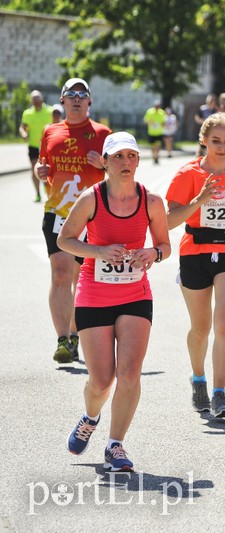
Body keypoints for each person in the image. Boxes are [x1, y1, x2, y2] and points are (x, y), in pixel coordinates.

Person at [57, 132, 171, 472]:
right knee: (102, 380)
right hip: (94, 293)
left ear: (138, 161)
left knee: (130, 373)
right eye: (118, 156)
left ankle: (115, 444)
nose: (126, 162)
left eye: (131, 156)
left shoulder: (151, 201)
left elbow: (165, 245)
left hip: (135, 293)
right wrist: (99, 251)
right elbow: (65, 240)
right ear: (104, 162)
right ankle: (91, 416)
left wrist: (153, 252)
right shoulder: (91, 199)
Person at [165, 112, 225, 418]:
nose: (222, 146)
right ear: (204, 140)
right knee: (200, 328)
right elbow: (168, 220)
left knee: (224, 320)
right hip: (195, 252)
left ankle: (219, 393)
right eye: (216, 141)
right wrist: (199, 200)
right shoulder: (187, 174)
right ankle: (198, 378)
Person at [36, 78, 111, 365]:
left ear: (90, 102)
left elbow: (121, 168)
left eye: (82, 94)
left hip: (91, 216)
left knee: (81, 278)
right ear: (64, 101)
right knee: (60, 274)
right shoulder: (50, 131)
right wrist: (40, 170)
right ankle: (62, 340)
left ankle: (76, 334)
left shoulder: (103, 133)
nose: (77, 98)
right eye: (71, 94)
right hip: (57, 213)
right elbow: (43, 163)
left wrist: (103, 164)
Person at [19, 89, 52, 202]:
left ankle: (46, 187)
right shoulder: (27, 113)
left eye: (38, 99)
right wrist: (23, 133)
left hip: (47, 145)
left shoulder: (50, 111)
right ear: (31, 101)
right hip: (33, 145)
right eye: (34, 99)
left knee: (48, 169)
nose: (36, 101)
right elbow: (23, 127)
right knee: (34, 169)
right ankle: (38, 193)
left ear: (42, 99)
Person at [143, 100, 167, 165]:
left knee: (158, 145)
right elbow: (145, 120)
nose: (157, 107)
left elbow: (164, 122)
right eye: (156, 106)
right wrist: (149, 122)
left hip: (159, 132)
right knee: (153, 145)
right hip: (151, 132)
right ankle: (154, 156)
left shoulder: (162, 112)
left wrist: (163, 124)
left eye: (158, 106)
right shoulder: (149, 112)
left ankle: (157, 156)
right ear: (154, 106)